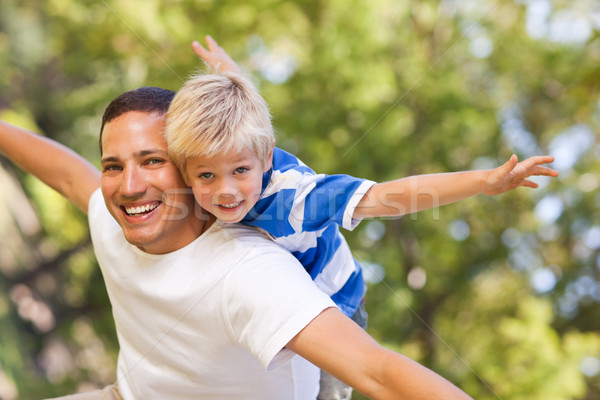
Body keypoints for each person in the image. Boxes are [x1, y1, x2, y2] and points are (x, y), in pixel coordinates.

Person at [0, 85, 476, 399]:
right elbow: (65, 174)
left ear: (188, 163)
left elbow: (377, 370)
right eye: (113, 165)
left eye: (152, 161)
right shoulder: (114, 214)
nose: (128, 185)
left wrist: (484, 181)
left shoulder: (249, 271)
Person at [165, 36, 560, 399]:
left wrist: (483, 181)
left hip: (338, 303)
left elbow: (389, 195)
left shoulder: (299, 198)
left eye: (240, 172)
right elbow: (238, 120)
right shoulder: (232, 146)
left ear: (265, 156)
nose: (225, 191)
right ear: (186, 170)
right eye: (206, 176)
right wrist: (231, 74)